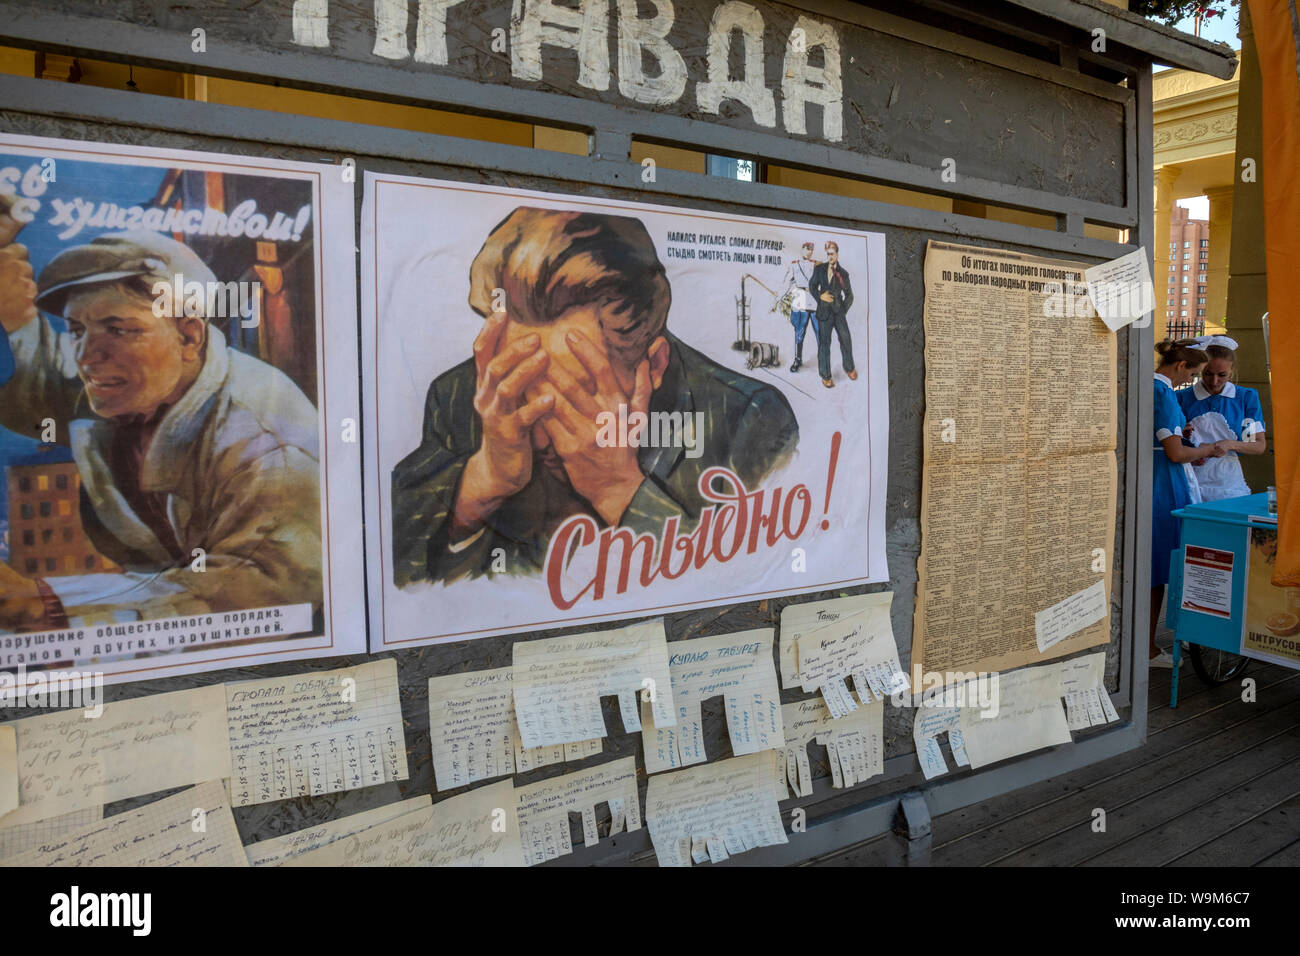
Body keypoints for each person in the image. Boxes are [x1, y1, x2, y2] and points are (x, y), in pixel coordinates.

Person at [392, 207, 800, 586]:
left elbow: (742, 585)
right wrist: (480, 485)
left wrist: (619, 489)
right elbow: (399, 578)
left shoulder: (751, 422)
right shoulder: (458, 398)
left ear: (653, 366)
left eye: (574, 395)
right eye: (522, 386)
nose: (538, 432)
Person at [0, 231, 322, 631]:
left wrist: (41, 604)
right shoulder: (137, 389)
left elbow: (257, 593)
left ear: (188, 336)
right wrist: (18, 318)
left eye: (117, 329)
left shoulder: (267, 442)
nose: (85, 356)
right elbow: (43, 394)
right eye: (78, 330)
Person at [1150, 337, 1226, 667]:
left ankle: (1141, 643)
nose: (1190, 382)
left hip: (1147, 479)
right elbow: (1176, 453)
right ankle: (1149, 648)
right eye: (1193, 374)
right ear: (1182, 366)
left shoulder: (1143, 385)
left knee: (1145, 568)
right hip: (1162, 487)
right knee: (1156, 570)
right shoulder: (1164, 392)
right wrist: (1206, 450)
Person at [1177, 335, 1266, 501]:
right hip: (1190, 480)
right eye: (1208, 373)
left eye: (1222, 375)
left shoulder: (1245, 398)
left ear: (1232, 370)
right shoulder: (1182, 398)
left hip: (1229, 484)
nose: (1214, 381)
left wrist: (1230, 444)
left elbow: (1258, 445)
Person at [808, 240, 857, 388]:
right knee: (824, 344)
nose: (830, 257)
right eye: (828, 254)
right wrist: (820, 297)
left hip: (838, 313)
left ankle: (849, 367)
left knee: (846, 339)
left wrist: (842, 311)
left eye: (832, 254)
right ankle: (826, 375)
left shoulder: (843, 274)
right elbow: (812, 286)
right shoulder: (819, 269)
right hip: (824, 312)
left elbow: (850, 296)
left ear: (837, 254)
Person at [781, 241, 819, 372]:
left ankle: (823, 361)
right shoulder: (794, 265)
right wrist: (779, 297)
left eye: (811, 250)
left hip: (815, 304)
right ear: (802, 249)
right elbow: (787, 282)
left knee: (820, 333)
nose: (809, 252)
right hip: (801, 303)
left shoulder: (817, 265)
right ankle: (798, 359)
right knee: (799, 333)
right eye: (807, 249)